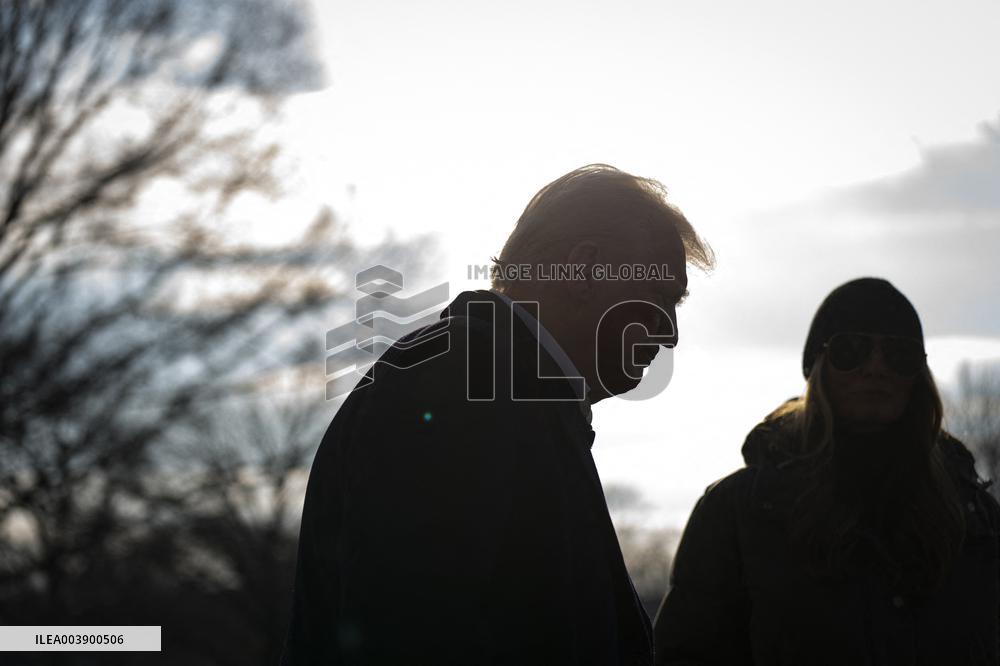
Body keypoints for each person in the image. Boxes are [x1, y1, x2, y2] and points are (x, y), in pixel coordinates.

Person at [281, 164, 714, 665]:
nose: (670, 334)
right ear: (586, 268)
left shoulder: (496, 392)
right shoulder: (461, 386)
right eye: (662, 297)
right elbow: (411, 635)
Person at [653, 277, 1000, 665]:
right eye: (850, 350)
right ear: (817, 367)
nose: (875, 368)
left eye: (899, 354)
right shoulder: (736, 512)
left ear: (918, 376)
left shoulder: (976, 519)